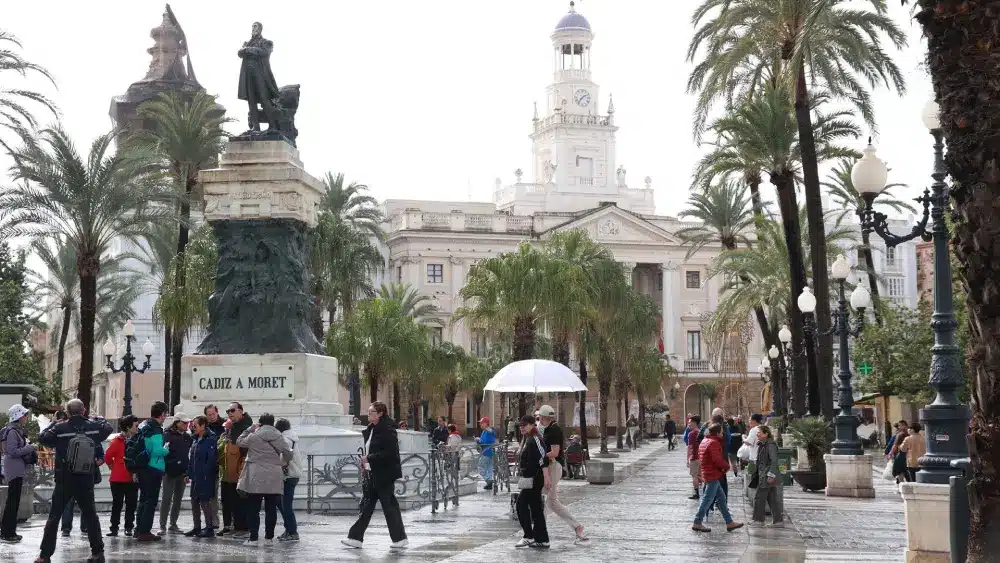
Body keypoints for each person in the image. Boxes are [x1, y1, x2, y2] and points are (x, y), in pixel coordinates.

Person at [34, 399, 113, 563]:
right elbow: (108, 427)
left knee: (54, 517)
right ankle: (98, 553)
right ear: (84, 411)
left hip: (65, 479)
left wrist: (55, 422)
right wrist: (96, 418)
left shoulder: (60, 428)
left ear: (67, 412)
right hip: (85, 479)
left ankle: (44, 556)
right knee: (91, 515)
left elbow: (42, 438)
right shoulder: (93, 428)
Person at [342, 402, 408, 551]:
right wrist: (366, 464)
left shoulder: (388, 430)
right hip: (372, 474)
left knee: (389, 507)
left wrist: (369, 458)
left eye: (372, 412)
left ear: (380, 414)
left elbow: (390, 453)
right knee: (366, 505)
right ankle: (355, 538)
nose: (369, 413)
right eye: (369, 411)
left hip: (384, 475)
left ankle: (400, 539)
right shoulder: (371, 429)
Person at [235, 412, 291, 546]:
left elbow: (239, 442)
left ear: (260, 423)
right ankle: (269, 538)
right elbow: (289, 453)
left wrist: (249, 429)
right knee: (271, 509)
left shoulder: (254, 436)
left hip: (256, 476)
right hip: (274, 476)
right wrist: (281, 463)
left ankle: (254, 538)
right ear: (272, 423)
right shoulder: (279, 436)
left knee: (253, 509)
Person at [538, 405, 585, 541]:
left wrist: (539, 456)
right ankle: (576, 526)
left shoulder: (553, 430)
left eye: (540, 417)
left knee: (545, 497)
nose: (539, 419)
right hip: (553, 466)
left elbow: (555, 452)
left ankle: (540, 528)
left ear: (543, 417)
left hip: (554, 466)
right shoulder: (549, 429)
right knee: (551, 501)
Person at [691, 423, 744, 533]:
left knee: (721, 498)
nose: (723, 433)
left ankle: (729, 522)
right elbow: (716, 459)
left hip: (709, 473)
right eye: (721, 431)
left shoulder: (705, 441)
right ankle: (697, 522)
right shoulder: (713, 443)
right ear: (717, 433)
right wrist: (726, 466)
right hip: (713, 474)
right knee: (707, 499)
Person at [134, 401, 171, 542]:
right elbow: (156, 450)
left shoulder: (144, 425)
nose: (166, 416)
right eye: (165, 413)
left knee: (143, 499)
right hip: (154, 467)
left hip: (143, 467)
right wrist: (166, 449)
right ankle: (145, 531)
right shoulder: (156, 429)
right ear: (162, 414)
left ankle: (139, 529)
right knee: (150, 500)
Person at [1, 404, 37, 543]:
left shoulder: (14, 430)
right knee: (12, 502)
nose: (26, 418)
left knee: (14, 501)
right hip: (14, 469)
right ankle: (7, 533)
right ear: (18, 416)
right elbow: (12, 451)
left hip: (16, 469)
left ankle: (9, 531)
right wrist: (29, 447)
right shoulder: (12, 431)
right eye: (24, 415)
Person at [514, 414, 550, 549]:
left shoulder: (535, 438)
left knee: (521, 504)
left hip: (535, 478)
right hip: (527, 478)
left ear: (532, 424)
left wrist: (546, 477)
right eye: (520, 425)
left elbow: (543, 458)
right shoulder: (527, 438)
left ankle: (529, 536)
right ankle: (542, 539)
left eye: (524, 425)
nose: (521, 428)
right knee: (535, 508)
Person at [218, 402, 252, 538]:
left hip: (240, 470)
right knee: (229, 500)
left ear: (241, 411)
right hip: (228, 470)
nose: (229, 413)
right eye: (227, 411)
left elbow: (246, 450)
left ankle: (243, 528)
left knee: (240, 501)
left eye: (232, 410)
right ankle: (232, 526)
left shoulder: (247, 427)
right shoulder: (232, 427)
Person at [103, 415, 138, 538]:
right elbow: (107, 456)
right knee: (118, 504)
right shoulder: (117, 441)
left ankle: (127, 527)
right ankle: (116, 527)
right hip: (119, 478)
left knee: (131, 504)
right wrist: (112, 465)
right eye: (136, 425)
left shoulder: (136, 440)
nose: (137, 427)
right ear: (129, 427)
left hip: (131, 477)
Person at [159, 413, 192, 535]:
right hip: (169, 471)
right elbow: (163, 451)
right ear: (176, 422)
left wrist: (188, 472)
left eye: (187, 422)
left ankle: (173, 524)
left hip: (182, 472)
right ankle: (162, 525)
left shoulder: (188, 437)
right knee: (166, 499)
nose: (186, 424)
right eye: (184, 422)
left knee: (178, 499)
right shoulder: (167, 435)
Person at [186, 415, 218, 538]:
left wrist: (206, 474)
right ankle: (197, 527)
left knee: (205, 502)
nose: (193, 427)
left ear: (203, 425)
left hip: (205, 476)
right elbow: (192, 458)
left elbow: (211, 460)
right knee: (194, 501)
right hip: (195, 476)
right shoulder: (195, 439)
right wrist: (188, 473)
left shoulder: (210, 439)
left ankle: (209, 528)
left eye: (196, 425)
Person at [275, 417, 303, 542]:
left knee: (285, 505)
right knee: (283, 504)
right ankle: (289, 530)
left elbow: (283, 457)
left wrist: (277, 464)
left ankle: (292, 531)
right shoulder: (291, 437)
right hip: (292, 474)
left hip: (288, 475)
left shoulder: (285, 439)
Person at [749, 425, 783, 527]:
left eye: (759, 432)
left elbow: (774, 461)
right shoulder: (762, 444)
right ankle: (778, 521)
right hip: (763, 474)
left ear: (765, 434)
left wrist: (771, 475)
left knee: (759, 497)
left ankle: (758, 520)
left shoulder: (770, 445)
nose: (757, 434)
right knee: (772, 498)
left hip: (766, 475)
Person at [475, 417, 496, 490]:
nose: (480, 424)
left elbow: (486, 442)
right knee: (489, 469)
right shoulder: (485, 431)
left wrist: (478, 440)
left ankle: (489, 480)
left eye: (481, 423)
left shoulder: (488, 431)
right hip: (489, 452)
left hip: (487, 452)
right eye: (480, 423)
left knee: (480, 467)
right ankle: (489, 484)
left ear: (486, 423)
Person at [686, 416, 703, 500]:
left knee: (694, 476)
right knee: (700, 475)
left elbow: (689, 447)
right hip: (702, 457)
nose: (688, 424)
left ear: (694, 422)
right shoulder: (701, 432)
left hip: (694, 457)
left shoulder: (691, 434)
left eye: (690, 422)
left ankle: (696, 493)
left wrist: (687, 459)